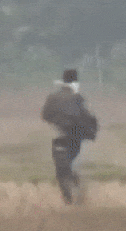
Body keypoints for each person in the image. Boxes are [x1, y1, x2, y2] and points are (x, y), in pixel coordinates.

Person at [41, 68, 98, 204]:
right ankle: (76, 189)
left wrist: (57, 122)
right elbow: (87, 118)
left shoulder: (53, 97)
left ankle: (70, 197)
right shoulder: (78, 98)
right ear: (75, 80)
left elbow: (45, 115)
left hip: (59, 138)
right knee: (68, 166)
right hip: (74, 139)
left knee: (61, 170)